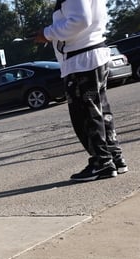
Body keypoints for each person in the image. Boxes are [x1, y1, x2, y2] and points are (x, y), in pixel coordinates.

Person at [35, 0, 128, 182]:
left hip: (81, 60)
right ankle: (114, 157)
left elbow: (80, 20)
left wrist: (47, 33)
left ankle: (102, 163)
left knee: (85, 115)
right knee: (100, 111)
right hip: (92, 54)